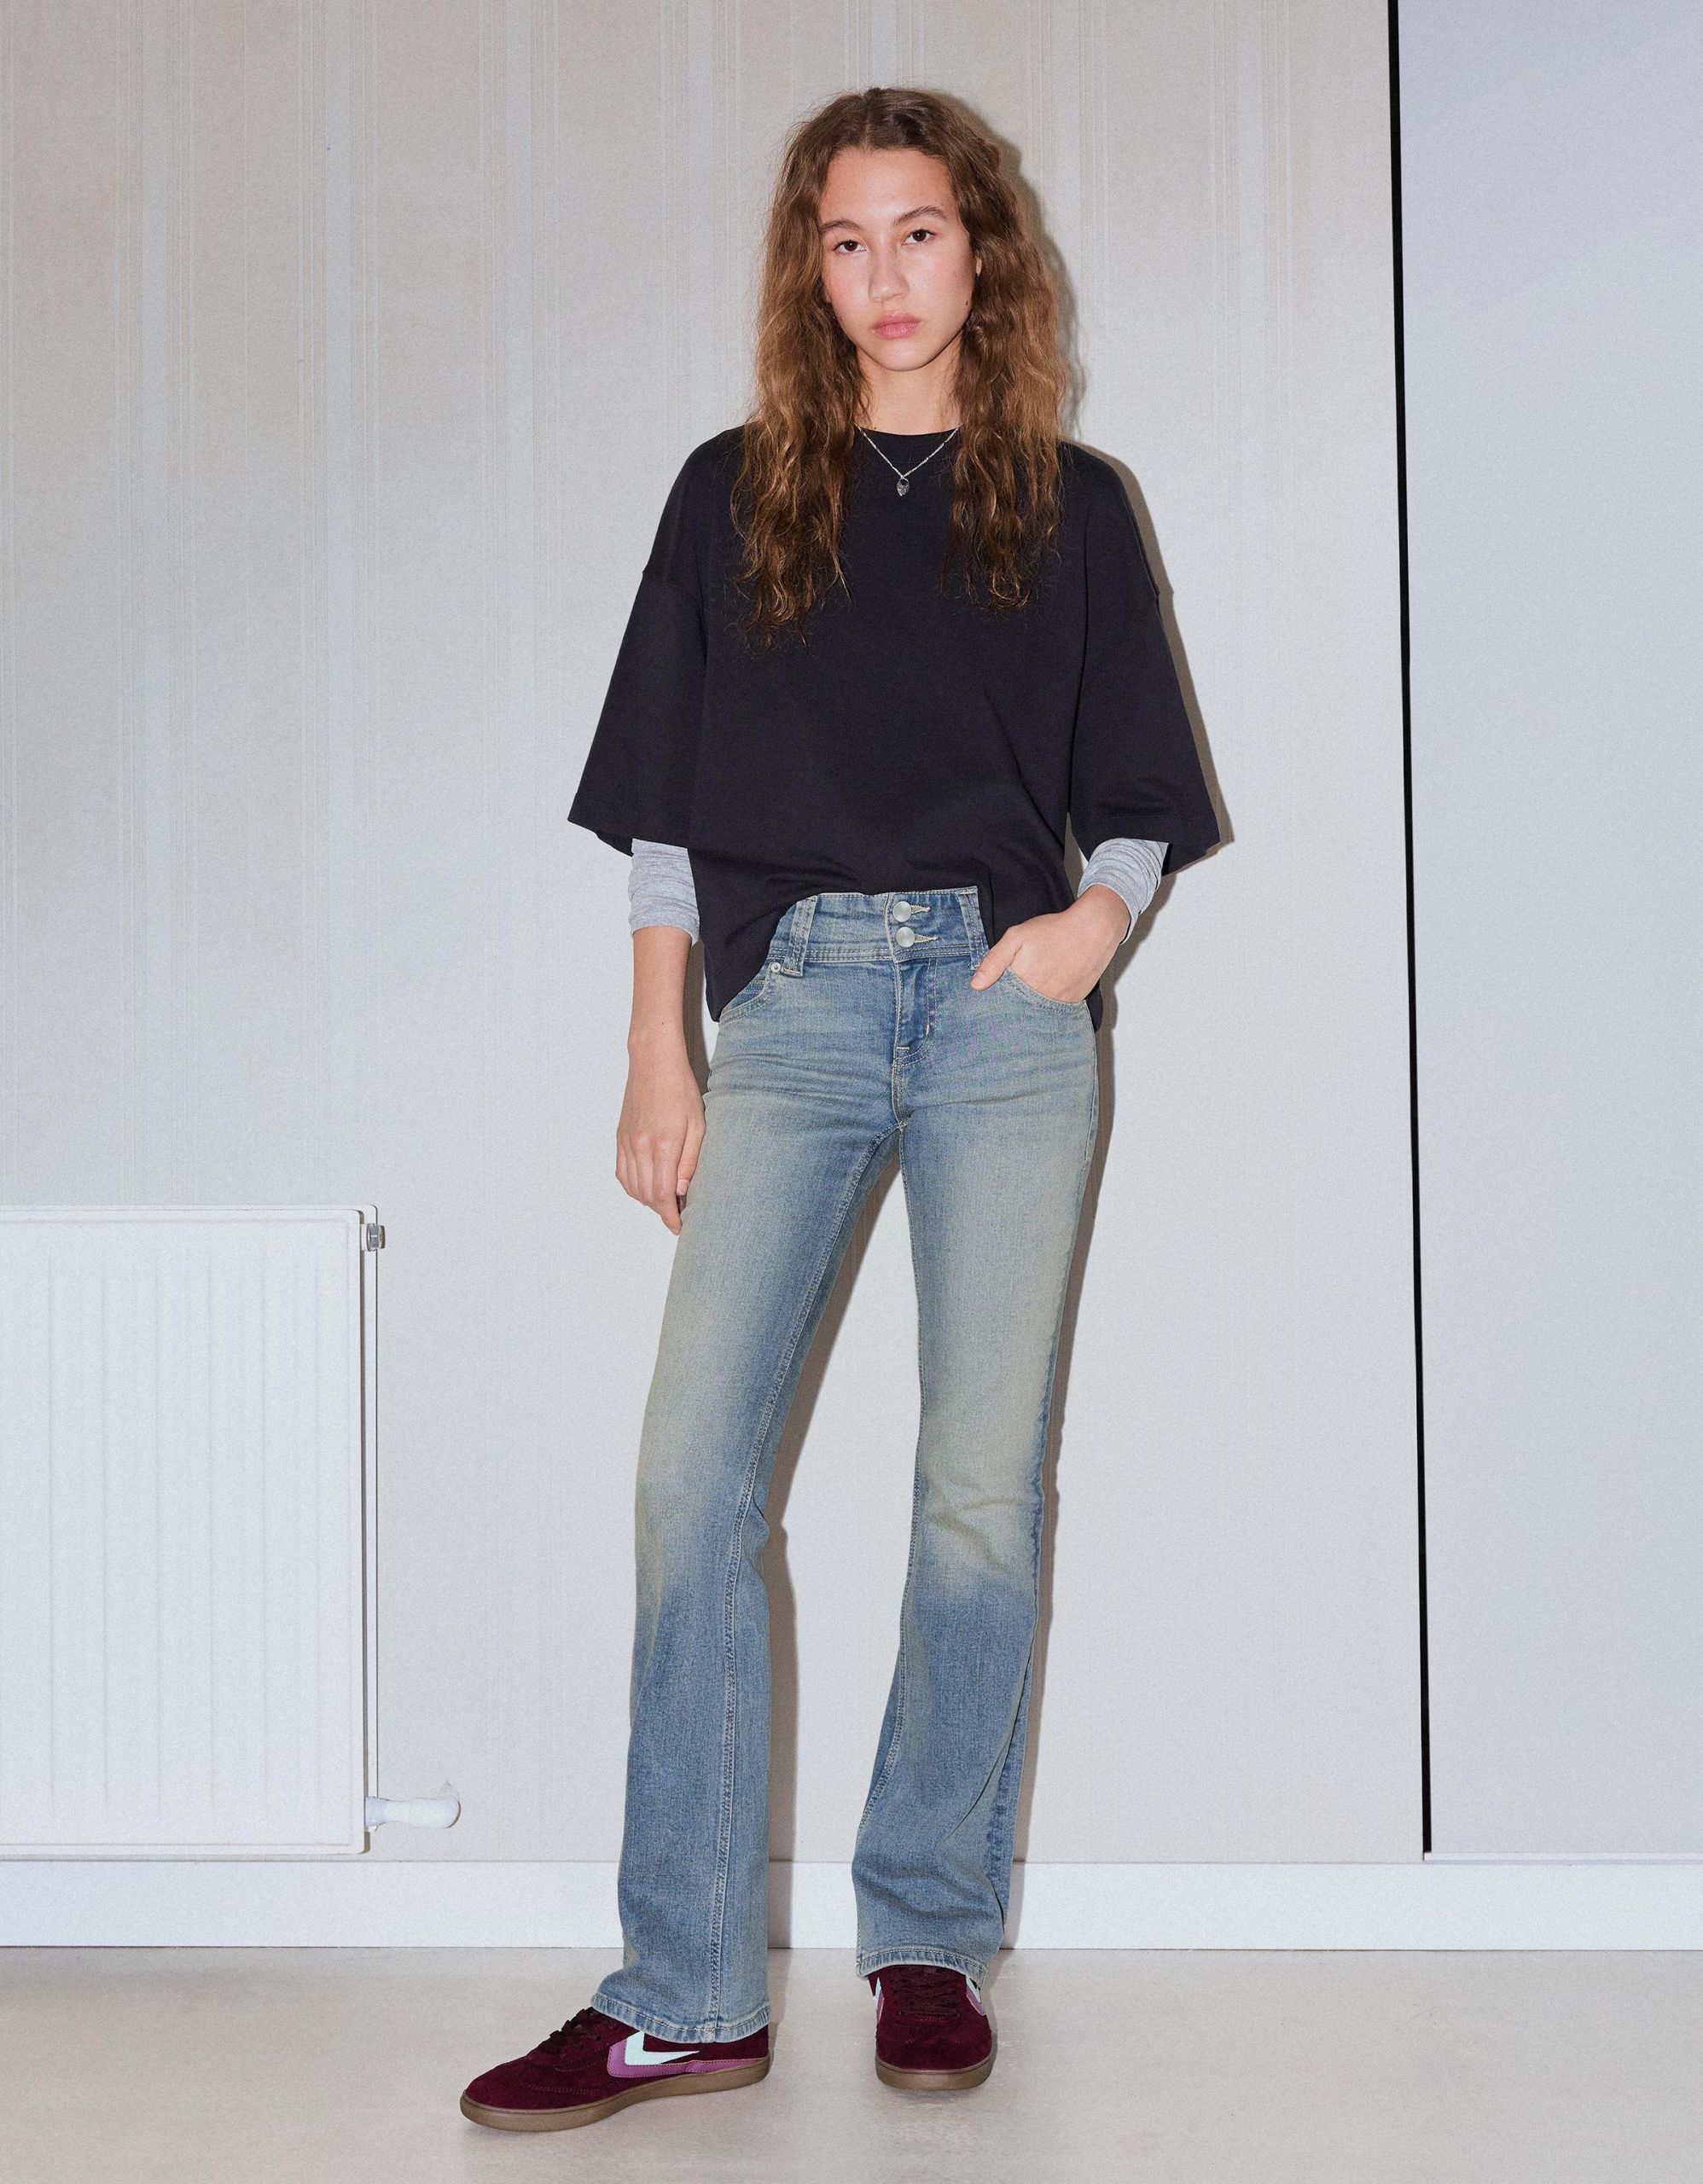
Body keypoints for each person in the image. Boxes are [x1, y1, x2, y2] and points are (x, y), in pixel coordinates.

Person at [461, 83, 1219, 2136]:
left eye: (918, 231)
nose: (884, 274)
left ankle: (925, 1936)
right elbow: (663, 807)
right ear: (810, 270)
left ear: (984, 253)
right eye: (844, 239)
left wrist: (1086, 929)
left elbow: (1138, 795)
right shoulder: (730, 492)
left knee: (979, 1488)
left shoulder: (1071, 502)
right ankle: (688, 1990)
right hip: (787, 1005)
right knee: (689, 1478)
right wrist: (658, 1044)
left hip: (998, 1012)